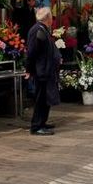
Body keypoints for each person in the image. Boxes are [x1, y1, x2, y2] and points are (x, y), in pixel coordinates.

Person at [24, 7, 61, 135]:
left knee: (46, 98)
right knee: (40, 99)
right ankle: (36, 126)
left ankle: (42, 123)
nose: (52, 19)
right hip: (41, 71)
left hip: (47, 70)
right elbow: (32, 52)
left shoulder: (43, 29)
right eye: (51, 17)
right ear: (48, 18)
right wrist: (28, 69)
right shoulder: (37, 30)